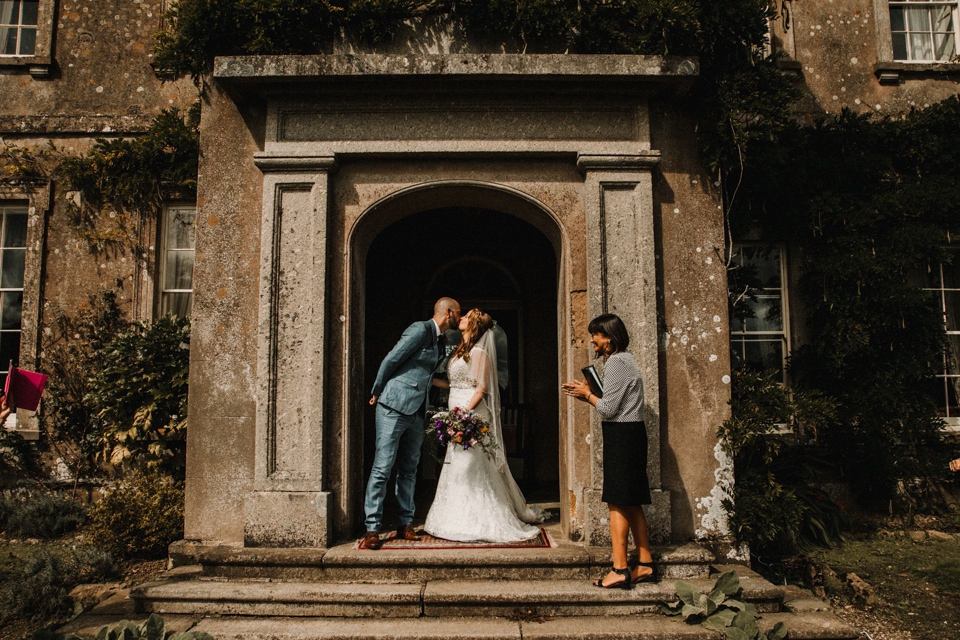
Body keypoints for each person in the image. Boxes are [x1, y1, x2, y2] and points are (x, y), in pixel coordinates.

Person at [424, 309, 547, 542]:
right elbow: (453, 384)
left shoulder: (480, 352)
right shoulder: (462, 351)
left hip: (470, 414)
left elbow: (481, 388)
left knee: (469, 465)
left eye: (466, 316)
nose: (460, 318)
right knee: (456, 463)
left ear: (474, 324)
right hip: (456, 411)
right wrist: (425, 378)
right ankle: (451, 517)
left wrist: (464, 415)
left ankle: (477, 520)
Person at [562, 313, 655, 588]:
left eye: (596, 335)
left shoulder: (616, 362)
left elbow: (607, 408)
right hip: (633, 433)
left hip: (622, 436)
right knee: (632, 501)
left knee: (617, 501)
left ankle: (620, 568)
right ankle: (646, 564)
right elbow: (614, 398)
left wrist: (586, 395)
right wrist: (592, 389)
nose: (592, 340)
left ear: (610, 338)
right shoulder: (628, 360)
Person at [363, 297, 461, 550]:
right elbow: (392, 359)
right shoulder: (420, 329)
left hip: (418, 410)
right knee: (383, 467)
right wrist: (377, 389)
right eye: (458, 314)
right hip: (393, 406)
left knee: (409, 469)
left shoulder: (441, 341)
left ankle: (405, 523)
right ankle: (372, 528)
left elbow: (429, 375)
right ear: (448, 312)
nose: (459, 319)